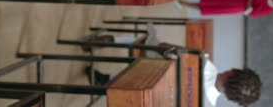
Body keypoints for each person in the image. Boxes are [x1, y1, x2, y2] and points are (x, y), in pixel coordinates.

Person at [83, 23, 262, 106]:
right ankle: (106, 81)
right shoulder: (203, 105)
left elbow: (164, 48)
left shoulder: (202, 60)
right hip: (145, 99)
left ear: (233, 71)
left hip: (146, 65)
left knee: (150, 43)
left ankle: (107, 40)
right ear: (232, 99)